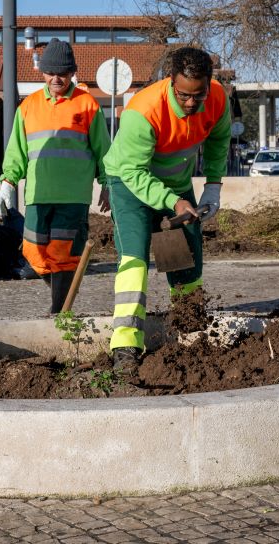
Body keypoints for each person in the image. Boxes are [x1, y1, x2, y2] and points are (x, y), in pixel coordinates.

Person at [103, 46, 232, 374]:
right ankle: (126, 346)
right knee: (134, 260)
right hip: (129, 184)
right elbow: (133, 172)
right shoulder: (143, 110)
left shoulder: (218, 99)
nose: (190, 103)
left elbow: (218, 141)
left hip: (176, 183)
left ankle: (190, 333)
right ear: (170, 81)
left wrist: (213, 184)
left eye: (198, 95)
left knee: (183, 257)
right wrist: (173, 202)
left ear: (209, 84)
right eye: (183, 95)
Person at [0, 39, 111, 314]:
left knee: (63, 255)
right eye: (50, 73)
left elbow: (104, 150)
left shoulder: (87, 105)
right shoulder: (28, 107)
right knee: (32, 251)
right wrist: (8, 182)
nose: (56, 79)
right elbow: (17, 151)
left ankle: (59, 311)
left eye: (63, 73)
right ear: (42, 72)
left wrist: (108, 183)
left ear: (72, 72)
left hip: (73, 197)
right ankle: (65, 294)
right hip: (38, 195)